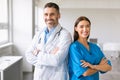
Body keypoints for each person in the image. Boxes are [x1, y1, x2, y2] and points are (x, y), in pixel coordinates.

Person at [25, 2, 72, 80]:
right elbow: (28, 55)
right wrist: (49, 57)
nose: (48, 17)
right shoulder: (39, 33)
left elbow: (57, 60)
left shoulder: (65, 35)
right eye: (46, 14)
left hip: (56, 76)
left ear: (59, 15)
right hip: (39, 76)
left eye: (52, 14)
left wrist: (38, 53)